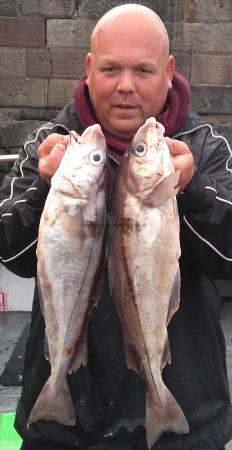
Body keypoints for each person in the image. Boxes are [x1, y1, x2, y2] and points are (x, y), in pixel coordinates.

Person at [0, 4, 232, 450]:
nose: (125, 86)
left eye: (143, 70)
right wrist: (46, 190)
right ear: (89, 69)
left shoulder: (204, 148)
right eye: (110, 69)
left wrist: (194, 189)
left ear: (168, 72)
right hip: (64, 425)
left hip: (187, 418)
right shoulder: (51, 145)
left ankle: (154, 392)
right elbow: (11, 253)